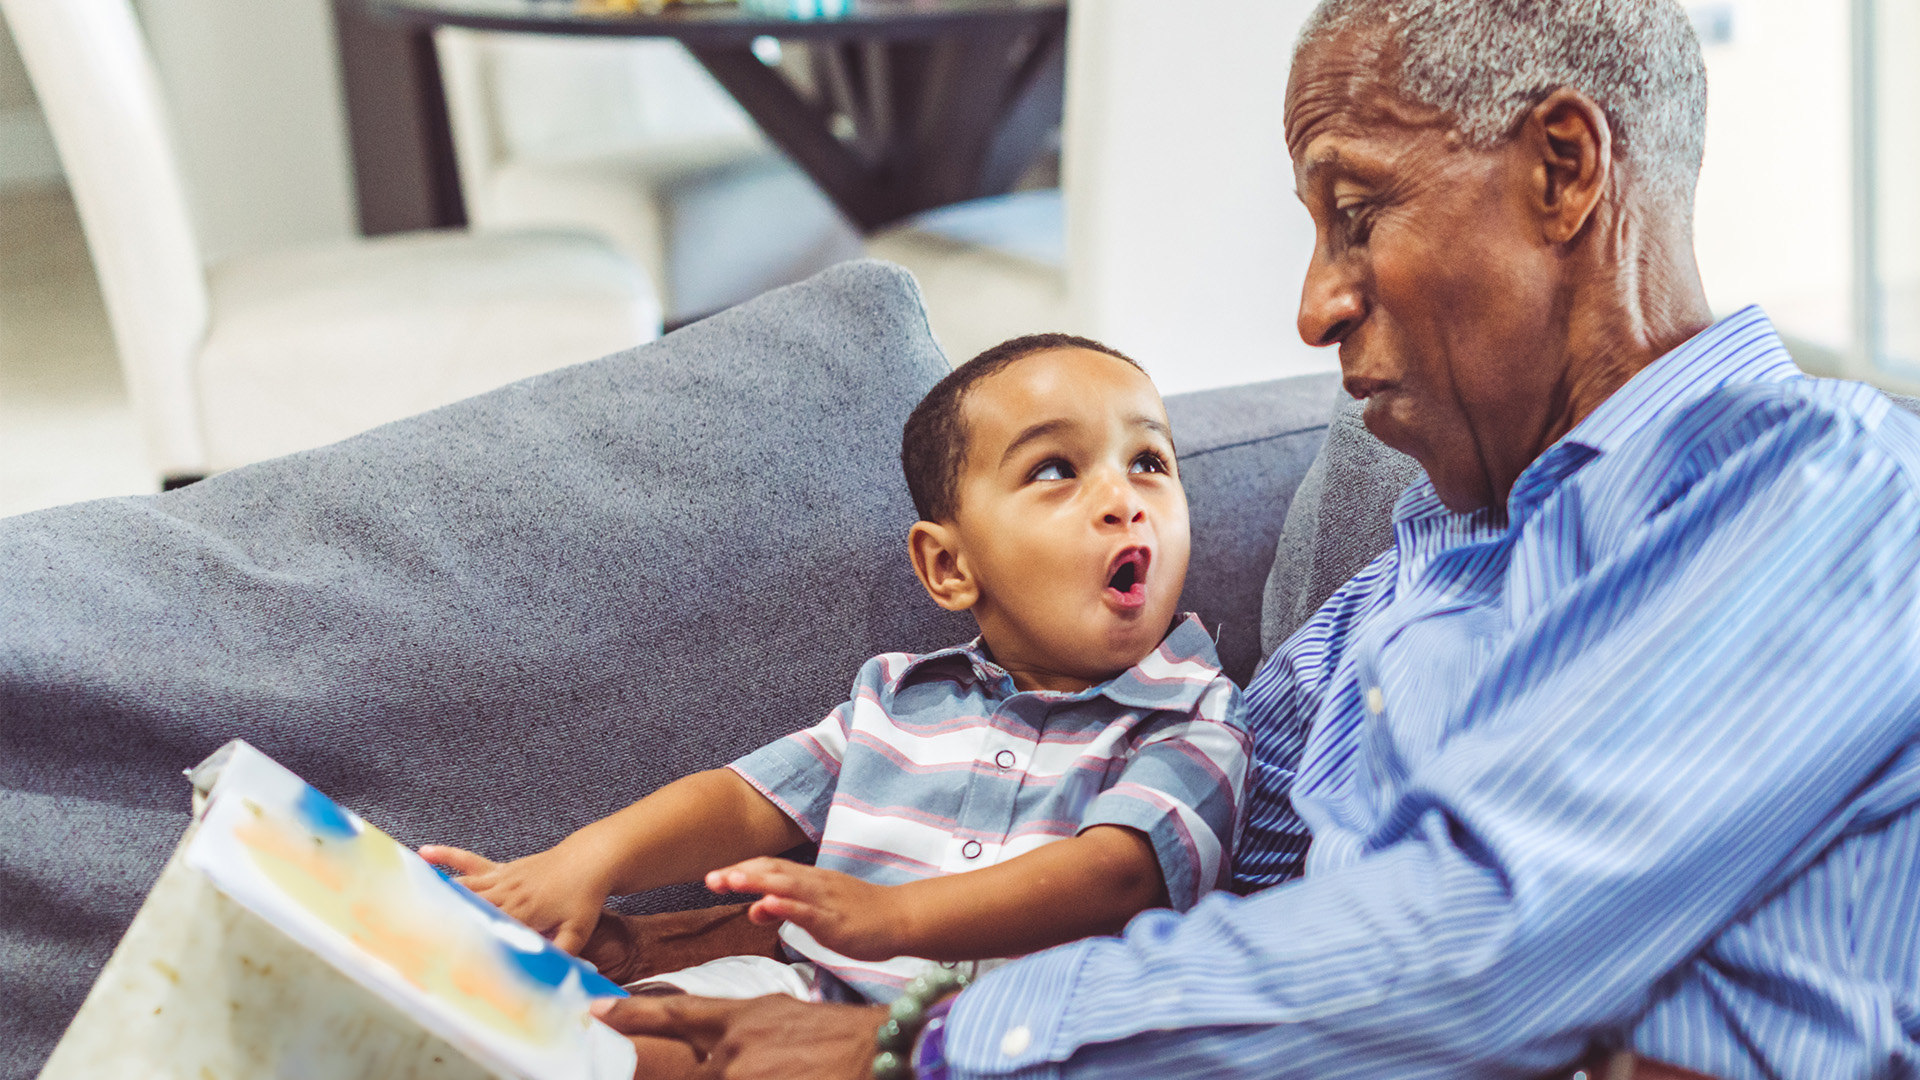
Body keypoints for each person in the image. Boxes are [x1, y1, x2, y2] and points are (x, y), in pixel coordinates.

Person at [586, 1, 1920, 1078]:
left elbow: (1476, 949)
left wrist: (912, 1041)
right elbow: (1167, 866)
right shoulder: (1412, 576)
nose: (1313, 303)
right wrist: (729, 945)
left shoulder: (1831, 498)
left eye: (1357, 212)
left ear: (1563, 170)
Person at [421, 334, 1249, 1064]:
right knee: (582, 1026)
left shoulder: (1193, 717)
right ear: (950, 568)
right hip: (807, 999)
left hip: (1000, 1044)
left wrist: (894, 918)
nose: (1123, 498)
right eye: (1056, 470)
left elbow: (1118, 875)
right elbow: (745, 803)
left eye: (1149, 461)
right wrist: (584, 863)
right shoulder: (900, 698)